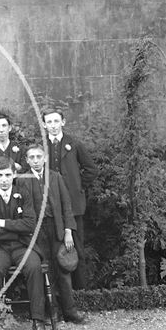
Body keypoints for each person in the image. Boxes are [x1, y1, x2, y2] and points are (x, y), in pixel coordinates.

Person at [17, 144, 85, 324]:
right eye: (32, 157)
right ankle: (51, 311)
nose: (36, 160)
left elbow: (66, 204)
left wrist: (68, 231)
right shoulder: (22, 179)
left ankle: (70, 312)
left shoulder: (55, 177)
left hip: (57, 228)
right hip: (36, 231)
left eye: (39, 156)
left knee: (63, 268)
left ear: (45, 158)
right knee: (44, 270)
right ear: (27, 160)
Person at [0, 156, 46, 330]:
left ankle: (38, 320)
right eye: (0, 175)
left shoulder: (23, 194)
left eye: (8, 175)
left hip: (22, 246)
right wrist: (17, 229)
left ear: (14, 174)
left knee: (33, 266)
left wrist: (3, 223)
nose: (4, 179)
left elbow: (30, 225)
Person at [42, 109, 99, 289]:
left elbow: (91, 169)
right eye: (49, 122)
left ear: (63, 122)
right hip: (52, 206)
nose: (53, 125)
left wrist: (77, 187)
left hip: (73, 206)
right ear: (44, 125)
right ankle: (60, 294)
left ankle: (81, 291)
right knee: (55, 250)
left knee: (77, 248)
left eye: (56, 121)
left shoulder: (74, 144)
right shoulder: (41, 146)